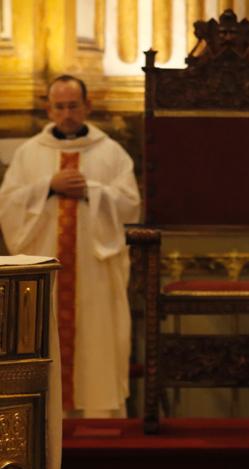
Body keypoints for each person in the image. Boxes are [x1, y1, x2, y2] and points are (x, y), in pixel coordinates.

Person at [0, 74, 140, 417]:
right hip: (45, 270)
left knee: (97, 340)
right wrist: (48, 186)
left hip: (94, 270)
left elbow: (130, 205)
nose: (66, 113)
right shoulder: (29, 153)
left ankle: (99, 412)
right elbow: (8, 204)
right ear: (49, 109)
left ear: (87, 106)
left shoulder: (111, 152)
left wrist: (91, 190)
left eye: (73, 105)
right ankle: (42, 415)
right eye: (59, 106)